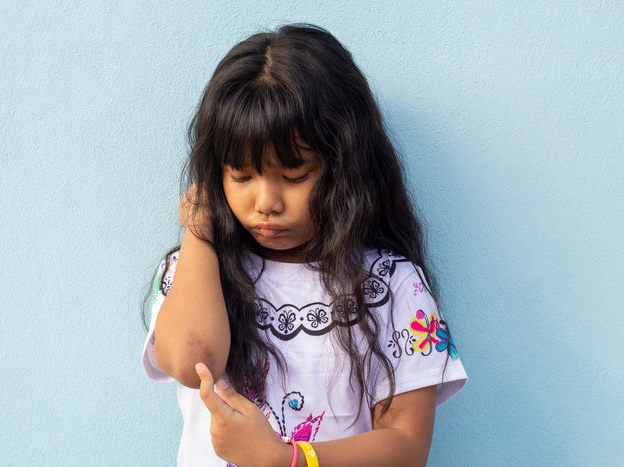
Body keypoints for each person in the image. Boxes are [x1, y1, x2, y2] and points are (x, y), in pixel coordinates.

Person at [142, 24, 467, 466]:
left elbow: (407, 448)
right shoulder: (196, 271)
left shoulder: (391, 285)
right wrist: (200, 232)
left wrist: (286, 459)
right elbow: (193, 363)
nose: (265, 203)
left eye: (294, 176)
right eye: (240, 176)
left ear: (344, 168)